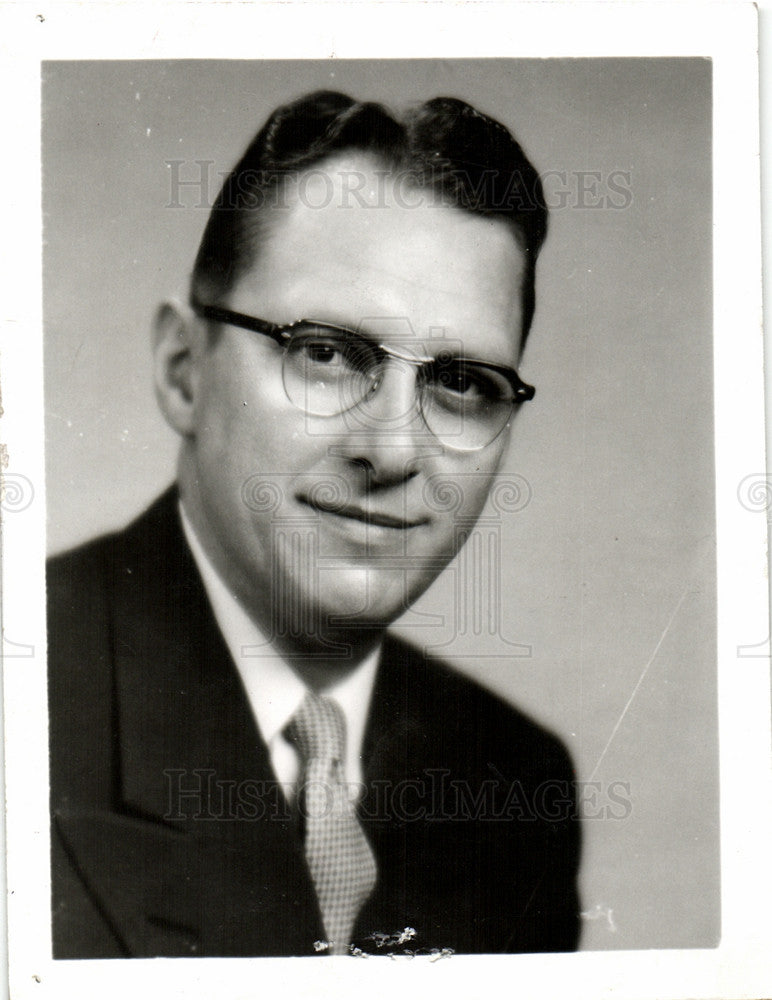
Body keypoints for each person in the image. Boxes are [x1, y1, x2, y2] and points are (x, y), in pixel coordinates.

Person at [47, 90, 581, 959]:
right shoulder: (23, 705)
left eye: (464, 384)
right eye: (327, 353)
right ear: (184, 370)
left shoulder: (511, 782)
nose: (394, 450)